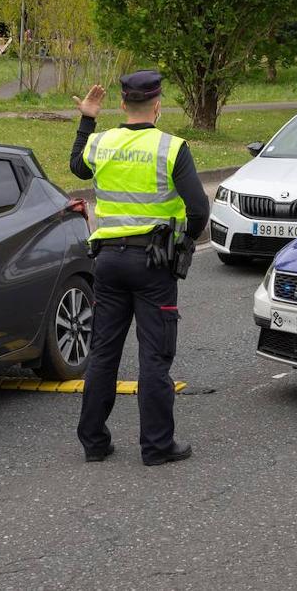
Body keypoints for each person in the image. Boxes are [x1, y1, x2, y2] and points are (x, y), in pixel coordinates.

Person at [69, 70, 209, 466]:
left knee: (103, 354)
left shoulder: (100, 142)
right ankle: (157, 446)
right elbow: (199, 209)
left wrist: (87, 118)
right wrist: (182, 243)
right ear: (158, 105)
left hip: (108, 262)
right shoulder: (171, 147)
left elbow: (77, 168)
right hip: (152, 264)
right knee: (154, 357)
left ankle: (94, 443)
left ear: (122, 104)